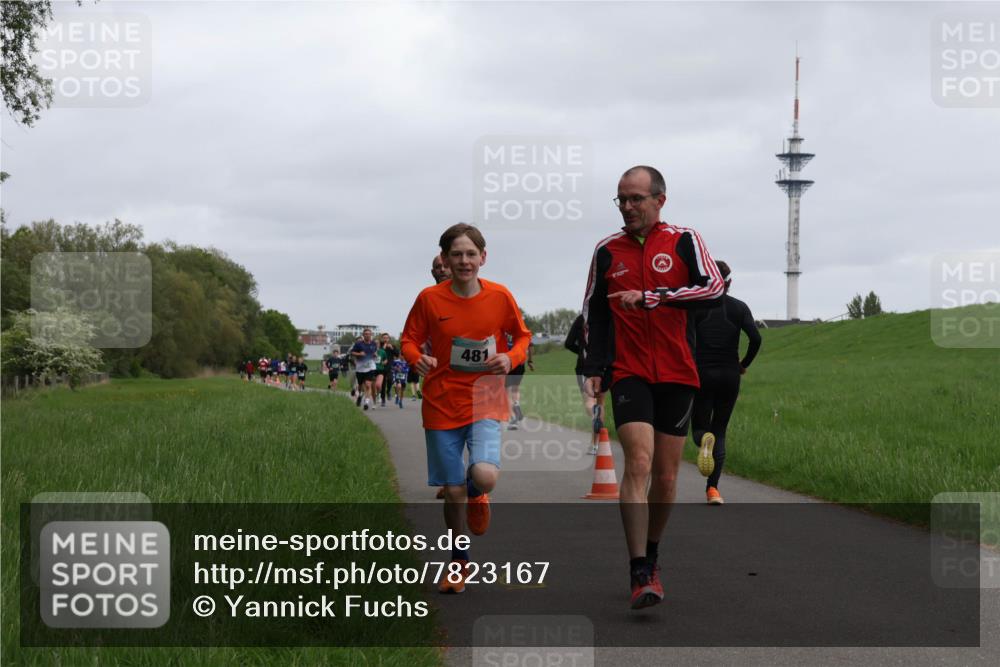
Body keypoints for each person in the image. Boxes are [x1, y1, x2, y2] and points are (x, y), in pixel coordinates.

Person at [582, 165, 724, 610]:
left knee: (665, 477)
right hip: (630, 372)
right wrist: (594, 366)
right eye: (621, 199)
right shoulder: (607, 250)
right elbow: (594, 313)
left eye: (636, 199)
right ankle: (639, 567)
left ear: (660, 200)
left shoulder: (685, 240)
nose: (627, 207)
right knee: (638, 462)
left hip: (679, 372)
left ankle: (654, 551)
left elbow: (714, 288)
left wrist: (656, 297)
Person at [402, 223, 531, 594]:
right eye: (456, 254)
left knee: (485, 475)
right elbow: (408, 338)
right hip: (442, 402)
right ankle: (458, 561)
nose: (464, 261)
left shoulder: (500, 296)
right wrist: (416, 357)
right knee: (452, 489)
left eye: (471, 254)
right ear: (444, 259)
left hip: (485, 398)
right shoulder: (429, 298)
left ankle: (479, 493)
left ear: (483, 257)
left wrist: (511, 357)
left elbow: (522, 335)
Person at [690, 261, 762, 505]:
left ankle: (702, 441)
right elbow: (756, 338)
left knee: (701, 428)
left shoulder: (695, 309)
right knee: (719, 430)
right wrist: (744, 364)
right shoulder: (739, 307)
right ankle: (713, 490)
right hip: (730, 375)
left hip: (701, 374)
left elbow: (686, 341)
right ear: (729, 283)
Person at [564, 313, 612, 454]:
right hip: (603, 367)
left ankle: (593, 416)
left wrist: (580, 351)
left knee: (589, 402)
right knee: (601, 402)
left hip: (584, 367)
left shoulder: (582, 318)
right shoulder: (608, 318)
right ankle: (595, 444)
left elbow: (568, 343)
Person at [503, 338, 533, 429]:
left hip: (508, 363)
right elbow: (530, 346)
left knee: (507, 392)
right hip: (520, 363)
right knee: (515, 389)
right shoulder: (522, 330)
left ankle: (513, 420)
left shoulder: (502, 331)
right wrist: (530, 361)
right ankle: (516, 404)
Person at [351, 329, 378, 410]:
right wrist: (359, 354)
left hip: (370, 367)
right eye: (365, 334)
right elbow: (352, 353)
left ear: (371, 335)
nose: (367, 335)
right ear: (363, 335)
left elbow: (374, 353)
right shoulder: (358, 344)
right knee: (360, 386)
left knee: (368, 385)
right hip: (360, 368)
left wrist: (375, 355)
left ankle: (366, 402)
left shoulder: (374, 344)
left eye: (369, 334)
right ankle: (360, 395)